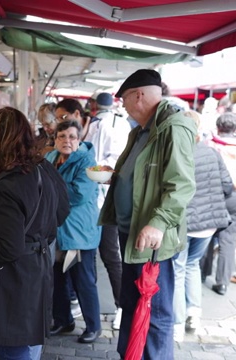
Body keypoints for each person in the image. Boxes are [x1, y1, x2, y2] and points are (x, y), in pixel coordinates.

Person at [0, 107, 70, 360]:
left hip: (15, 280)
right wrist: (37, 236)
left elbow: (9, 248)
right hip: (37, 267)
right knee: (29, 343)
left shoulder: (8, 183)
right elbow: (61, 212)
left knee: (14, 349)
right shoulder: (43, 167)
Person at [98, 69, 196, 359]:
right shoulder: (141, 130)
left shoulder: (172, 127)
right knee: (130, 303)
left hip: (153, 239)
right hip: (131, 234)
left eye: (124, 99)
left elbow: (181, 185)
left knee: (155, 312)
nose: (124, 106)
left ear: (138, 95)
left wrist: (158, 223)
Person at [172, 110, 232, 342]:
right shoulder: (212, 152)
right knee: (192, 265)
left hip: (185, 224)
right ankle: (194, 313)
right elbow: (228, 185)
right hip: (207, 225)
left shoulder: (177, 152)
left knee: (178, 269)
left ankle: (177, 324)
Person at [44, 120, 102, 344]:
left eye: (71, 137)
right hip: (56, 230)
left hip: (79, 233)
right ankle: (63, 320)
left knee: (83, 280)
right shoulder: (50, 158)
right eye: (62, 136)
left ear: (79, 140)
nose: (66, 141)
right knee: (57, 278)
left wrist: (51, 187)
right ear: (55, 138)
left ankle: (93, 326)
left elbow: (79, 194)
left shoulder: (88, 162)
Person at [86, 91, 131, 330]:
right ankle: (99, 305)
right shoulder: (112, 123)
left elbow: (106, 162)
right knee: (97, 255)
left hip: (107, 199)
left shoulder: (112, 124)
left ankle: (122, 305)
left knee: (110, 255)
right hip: (96, 199)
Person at [202, 112, 236, 295]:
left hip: (213, 194)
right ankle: (222, 282)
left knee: (207, 233)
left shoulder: (211, 145)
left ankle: (202, 272)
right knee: (229, 239)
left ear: (218, 127)